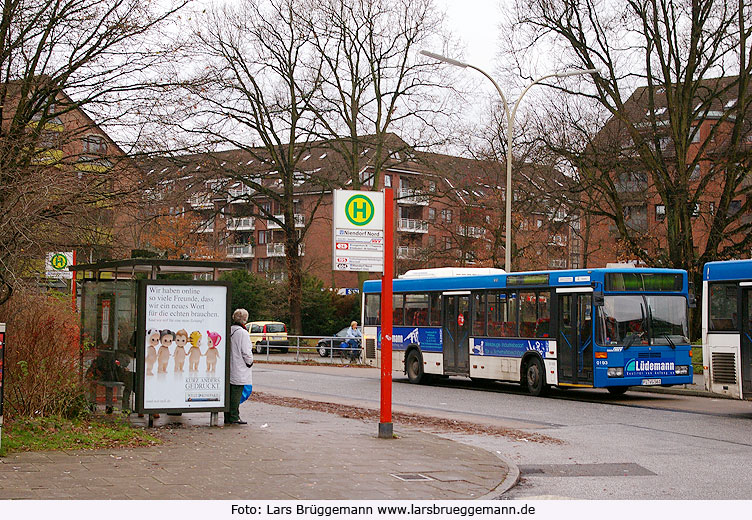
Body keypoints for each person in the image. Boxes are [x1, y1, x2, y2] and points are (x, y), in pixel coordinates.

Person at [227, 308, 254, 425]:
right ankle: (234, 416)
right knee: (237, 393)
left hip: (230, 366)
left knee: (230, 392)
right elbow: (246, 351)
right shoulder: (243, 333)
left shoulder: (230, 330)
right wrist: (250, 362)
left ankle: (228, 415)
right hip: (240, 367)